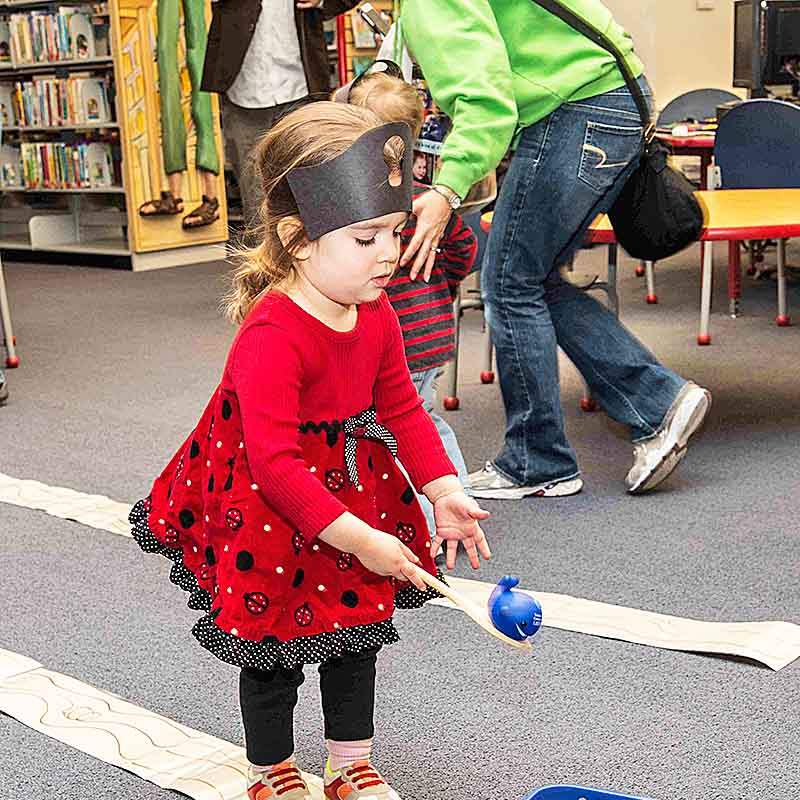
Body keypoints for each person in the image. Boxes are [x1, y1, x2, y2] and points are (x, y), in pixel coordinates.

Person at [129, 102, 491, 800]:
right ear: (297, 240)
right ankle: (272, 771)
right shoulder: (273, 334)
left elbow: (402, 409)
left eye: (394, 232)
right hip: (268, 504)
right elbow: (274, 465)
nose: (389, 253)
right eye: (365, 239)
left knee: (357, 633)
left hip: (346, 487)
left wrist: (444, 492)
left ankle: (350, 764)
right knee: (273, 650)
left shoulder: (376, 311)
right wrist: (361, 540)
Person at [399, 0, 712, 499]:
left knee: (507, 280)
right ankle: (656, 402)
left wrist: (446, 190)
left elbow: (485, 102)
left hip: (575, 111)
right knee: (529, 277)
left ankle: (538, 461)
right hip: (608, 94)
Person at [347, 71, 477, 555]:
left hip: (396, 339)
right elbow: (465, 253)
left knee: (399, 427)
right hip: (435, 334)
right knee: (426, 418)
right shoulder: (432, 199)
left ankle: (429, 525)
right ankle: (457, 504)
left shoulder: (362, 201)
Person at [200, 0, 363, 237]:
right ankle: (264, 271)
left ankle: (316, 268)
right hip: (243, 87)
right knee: (256, 197)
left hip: (301, 84)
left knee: (312, 191)